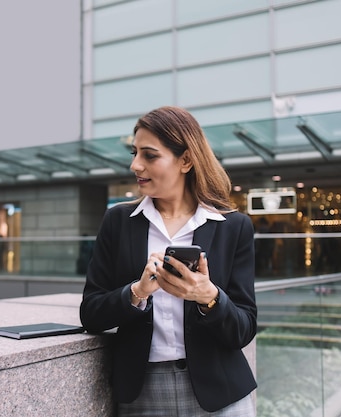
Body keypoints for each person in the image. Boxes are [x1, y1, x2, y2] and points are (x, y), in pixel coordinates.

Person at [80, 106, 257, 416]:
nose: (135, 165)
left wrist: (209, 297)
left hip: (220, 393)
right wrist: (137, 292)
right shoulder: (118, 221)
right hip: (142, 394)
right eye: (135, 153)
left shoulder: (233, 227)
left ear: (186, 160)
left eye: (149, 155)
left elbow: (244, 328)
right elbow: (91, 313)